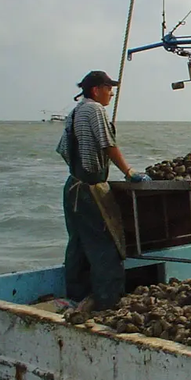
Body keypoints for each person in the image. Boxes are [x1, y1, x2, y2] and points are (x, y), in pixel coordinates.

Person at [56, 70, 149, 318]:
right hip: (89, 190)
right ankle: (108, 302)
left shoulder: (74, 112)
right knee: (105, 246)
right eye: (108, 88)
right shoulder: (95, 110)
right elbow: (108, 145)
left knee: (77, 244)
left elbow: (63, 150)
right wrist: (129, 172)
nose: (111, 93)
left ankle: (75, 297)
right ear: (96, 89)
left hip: (72, 187)